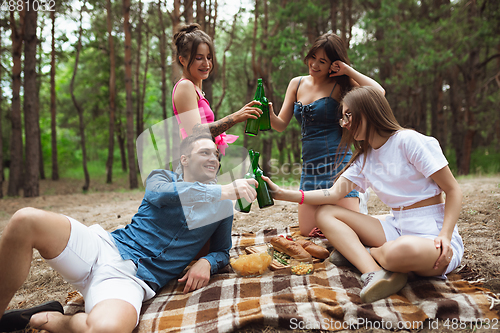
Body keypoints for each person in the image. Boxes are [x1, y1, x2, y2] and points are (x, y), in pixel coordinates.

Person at [0, 133, 258, 333]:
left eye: (216, 154)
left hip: (133, 281)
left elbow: (222, 251)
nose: (214, 158)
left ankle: (49, 319)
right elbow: (164, 196)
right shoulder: (162, 178)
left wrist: (207, 261)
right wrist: (222, 191)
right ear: (185, 159)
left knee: (107, 329)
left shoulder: (223, 206)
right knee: (26, 219)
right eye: (205, 152)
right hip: (102, 248)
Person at [263, 86, 464, 303]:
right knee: (326, 213)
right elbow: (331, 195)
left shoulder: (408, 141)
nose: (345, 123)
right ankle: (373, 272)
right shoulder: (364, 159)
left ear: (369, 110)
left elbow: (453, 190)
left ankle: (368, 252)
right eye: (342, 118)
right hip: (396, 226)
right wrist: (282, 194)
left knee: (400, 251)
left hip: (431, 235)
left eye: (348, 114)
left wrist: (444, 235)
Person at [268, 33, 385, 236]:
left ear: (333, 64)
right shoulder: (296, 84)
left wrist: (347, 70)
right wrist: (268, 114)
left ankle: (370, 218)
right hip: (311, 167)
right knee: (307, 231)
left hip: (338, 164)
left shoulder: (341, 85)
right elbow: (280, 125)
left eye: (322, 61)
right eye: (313, 57)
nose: (314, 64)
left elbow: (379, 92)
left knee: (346, 230)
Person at [172, 23, 262, 155]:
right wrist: (236, 117)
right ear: (182, 60)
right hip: (193, 166)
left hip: (203, 164)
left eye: (209, 57)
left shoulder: (196, 89)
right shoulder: (185, 86)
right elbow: (195, 132)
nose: (206, 63)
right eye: (198, 58)